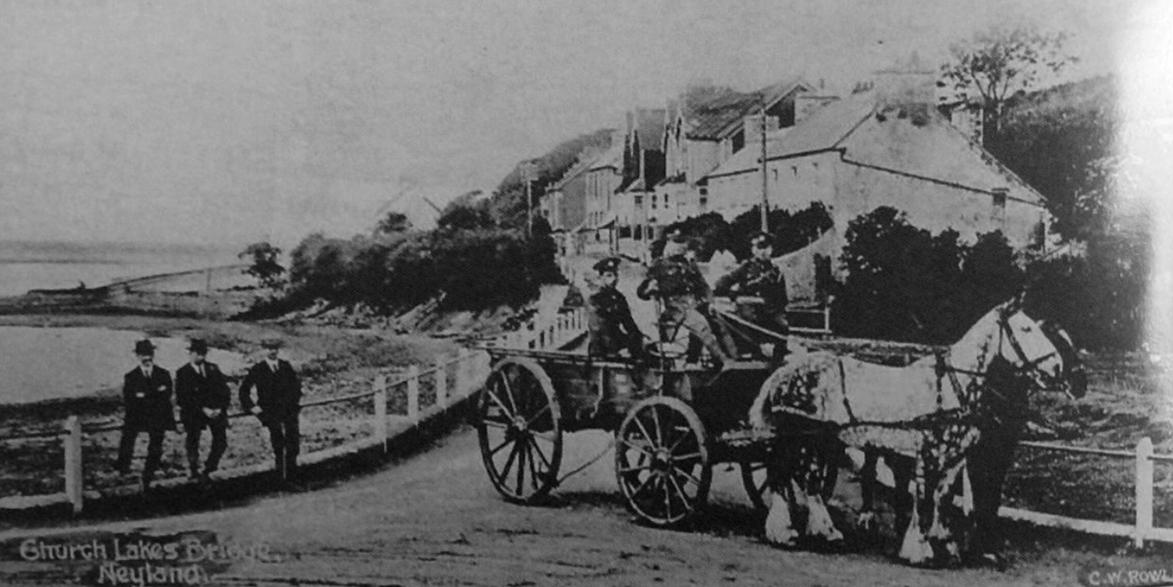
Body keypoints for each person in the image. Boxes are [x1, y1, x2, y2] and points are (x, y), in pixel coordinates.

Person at [637, 231, 737, 365]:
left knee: (718, 321)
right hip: (675, 308)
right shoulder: (659, 266)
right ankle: (723, 360)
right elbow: (642, 292)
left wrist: (710, 302)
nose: (679, 247)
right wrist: (650, 288)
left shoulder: (690, 265)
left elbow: (703, 286)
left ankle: (733, 357)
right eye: (676, 243)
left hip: (694, 305)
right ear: (669, 244)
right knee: (701, 325)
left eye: (682, 243)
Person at [714, 231, 790, 358]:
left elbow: (782, 298)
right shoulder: (746, 267)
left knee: (782, 326)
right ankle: (749, 353)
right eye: (759, 248)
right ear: (753, 250)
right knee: (744, 326)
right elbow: (722, 284)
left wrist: (779, 312)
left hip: (768, 311)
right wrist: (734, 295)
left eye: (766, 247)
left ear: (771, 249)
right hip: (748, 310)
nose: (763, 252)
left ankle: (777, 355)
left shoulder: (776, 271)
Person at [115, 339, 176, 492]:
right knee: (128, 435)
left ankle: (148, 474)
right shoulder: (131, 377)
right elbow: (130, 400)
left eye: (149, 354)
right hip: (139, 415)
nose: (147, 358)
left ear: (153, 355)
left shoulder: (163, 374)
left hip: (157, 415)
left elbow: (166, 395)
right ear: (137, 356)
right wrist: (154, 395)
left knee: (156, 445)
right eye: (143, 355)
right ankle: (123, 468)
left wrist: (144, 396)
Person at [239, 338, 302, 483]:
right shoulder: (258, 369)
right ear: (263, 350)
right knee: (278, 445)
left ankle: (293, 477)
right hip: (270, 412)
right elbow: (244, 390)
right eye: (269, 348)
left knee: (293, 444)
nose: (272, 351)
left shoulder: (285, 366)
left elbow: (296, 387)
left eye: (275, 348)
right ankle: (281, 478)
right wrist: (252, 407)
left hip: (288, 411)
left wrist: (293, 403)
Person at [175, 338, 230, 483]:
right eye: (197, 353)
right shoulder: (183, 373)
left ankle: (209, 468)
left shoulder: (213, 368)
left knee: (221, 441)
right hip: (194, 412)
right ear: (191, 354)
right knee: (193, 440)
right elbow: (183, 398)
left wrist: (219, 408)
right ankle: (194, 470)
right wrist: (202, 409)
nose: (201, 356)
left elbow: (224, 390)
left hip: (214, 411)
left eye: (203, 353)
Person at [587, 257, 645, 359]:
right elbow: (599, 328)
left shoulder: (619, 298)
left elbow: (628, 322)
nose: (614, 279)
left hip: (616, 341)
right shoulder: (595, 299)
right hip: (601, 347)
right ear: (601, 278)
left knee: (647, 349)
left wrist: (639, 338)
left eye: (615, 275)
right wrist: (616, 349)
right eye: (609, 275)